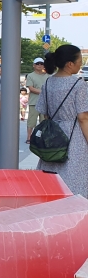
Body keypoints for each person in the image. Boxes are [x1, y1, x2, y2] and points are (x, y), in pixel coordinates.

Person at [35, 45, 88, 197]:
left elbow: (44, 114)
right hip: (74, 138)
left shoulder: (48, 83)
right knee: (75, 182)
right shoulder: (79, 85)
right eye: (80, 61)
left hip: (52, 138)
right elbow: (83, 118)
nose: (81, 65)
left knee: (52, 184)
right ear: (70, 64)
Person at [25, 57, 51, 144]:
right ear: (34, 65)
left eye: (41, 63)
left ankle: (42, 137)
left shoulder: (48, 76)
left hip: (45, 102)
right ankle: (29, 137)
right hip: (34, 102)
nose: (39, 65)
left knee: (44, 121)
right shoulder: (30, 75)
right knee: (31, 121)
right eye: (37, 64)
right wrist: (43, 91)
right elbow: (31, 88)